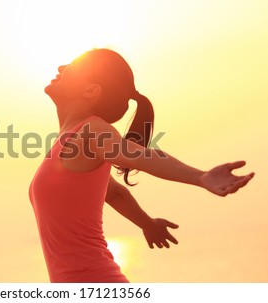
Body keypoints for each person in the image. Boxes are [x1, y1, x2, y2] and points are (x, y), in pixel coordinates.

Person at [28, 48, 254, 283]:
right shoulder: (68, 139)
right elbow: (113, 193)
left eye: (72, 66)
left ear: (91, 89)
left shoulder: (91, 130)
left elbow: (141, 156)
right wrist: (148, 224)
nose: (61, 68)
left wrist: (200, 176)